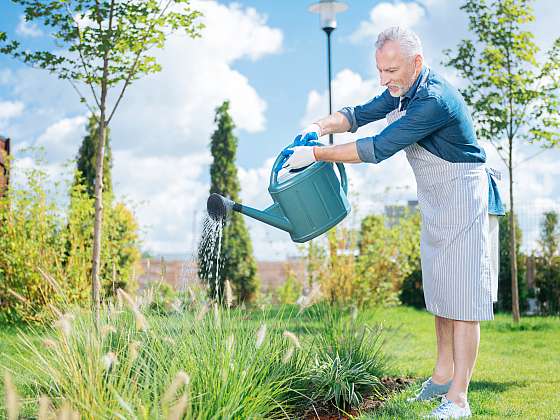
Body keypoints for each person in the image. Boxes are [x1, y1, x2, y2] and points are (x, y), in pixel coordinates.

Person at [282, 26, 505, 419]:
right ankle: (440, 376)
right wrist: (318, 127)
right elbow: (359, 115)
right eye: (381, 71)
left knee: (464, 301)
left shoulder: (434, 100)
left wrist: (316, 155)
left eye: (392, 71)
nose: (385, 80)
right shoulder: (405, 89)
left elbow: (378, 146)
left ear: (416, 63)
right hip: (438, 201)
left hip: (466, 198)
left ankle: (458, 399)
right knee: (441, 294)